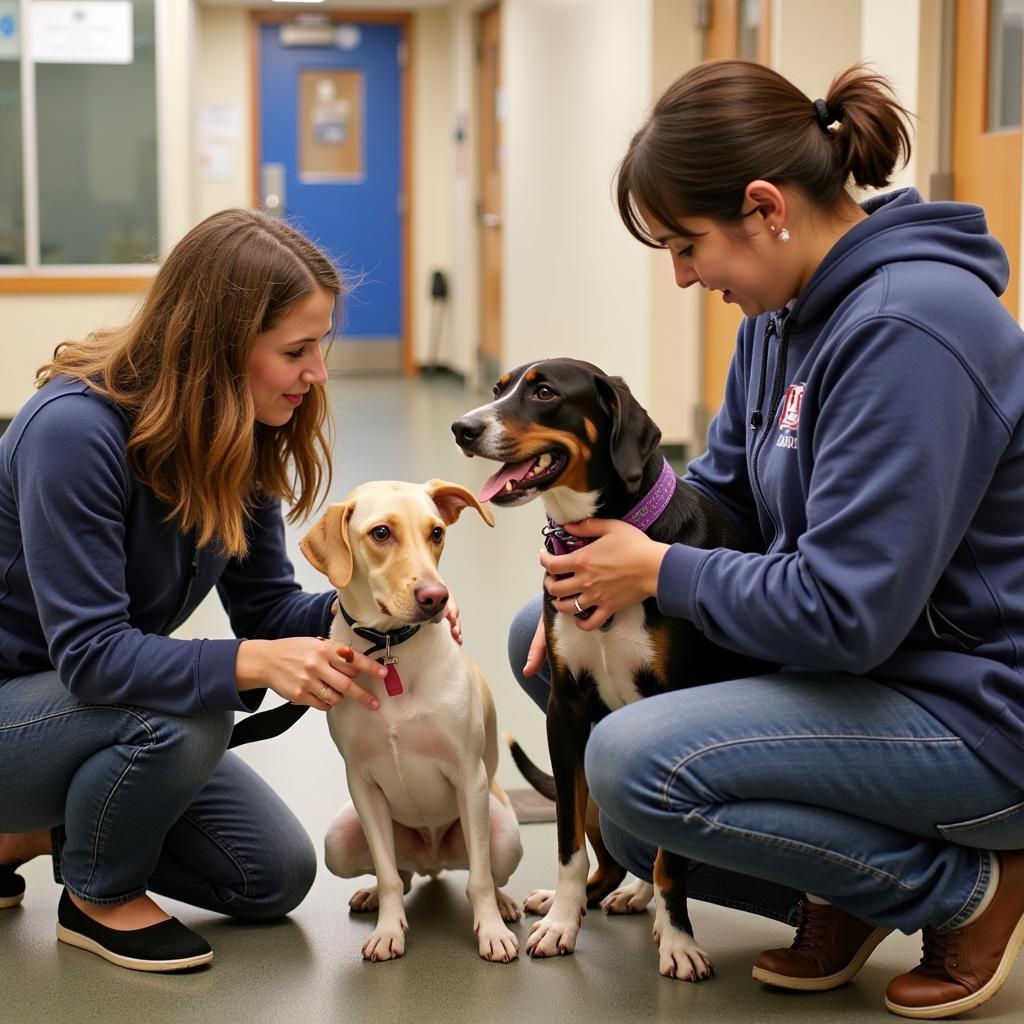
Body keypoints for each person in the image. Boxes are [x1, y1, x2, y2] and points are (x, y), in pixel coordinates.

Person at [508, 60, 1024, 1019]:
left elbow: (847, 614)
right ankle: (846, 885)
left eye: (686, 243)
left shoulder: (913, 328)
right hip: (864, 679)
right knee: (551, 645)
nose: (682, 273)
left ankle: (965, 889)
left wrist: (658, 567)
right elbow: (720, 495)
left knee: (633, 764)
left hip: (976, 711)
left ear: (763, 206)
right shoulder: (778, 322)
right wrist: (598, 569)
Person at [0, 209, 409, 972]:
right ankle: (96, 895)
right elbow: (92, 657)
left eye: (319, 345)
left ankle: (28, 832)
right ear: (218, 349)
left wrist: (381, 603)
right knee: (186, 717)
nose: (317, 372)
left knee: (270, 874)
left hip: (82, 713)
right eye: (295, 350)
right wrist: (249, 663)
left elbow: (269, 609)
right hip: (16, 710)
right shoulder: (73, 434)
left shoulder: (235, 435)